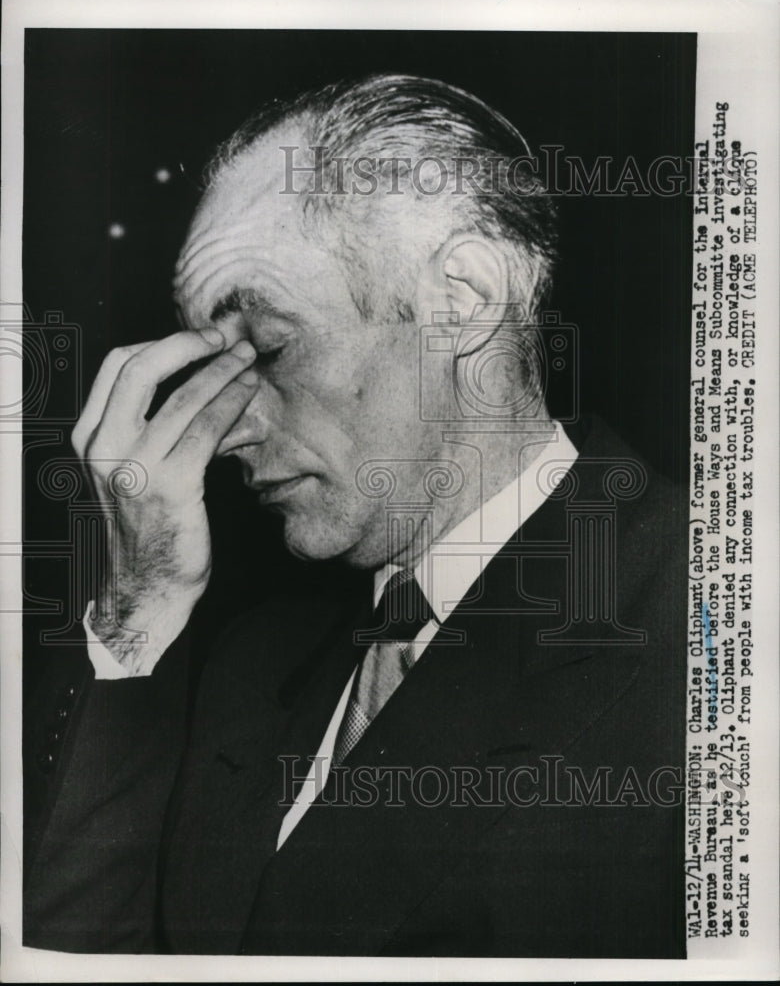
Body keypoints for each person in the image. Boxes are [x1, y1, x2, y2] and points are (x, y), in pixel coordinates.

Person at [24, 74, 686, 957]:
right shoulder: (250, 664)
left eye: (267, 348)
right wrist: (140, 607)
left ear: (465, 298)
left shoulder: (714, 629)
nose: (227, 432)